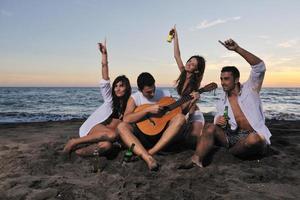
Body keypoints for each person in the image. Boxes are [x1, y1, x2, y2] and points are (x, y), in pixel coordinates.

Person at [182, 39, 272, 168]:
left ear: (236, 79)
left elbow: (260, 67)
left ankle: (232, 152)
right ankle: (197, 159)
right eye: (221, 79)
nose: (222, 82)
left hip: (254, 135)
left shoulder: (251, 88)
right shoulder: (222, 100)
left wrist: (237, 49)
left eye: (226, 79)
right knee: (208, 126)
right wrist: (218, 121)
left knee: (255, 139)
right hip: (233, 136)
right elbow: (219, 120)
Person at [63, 40, 131, 156]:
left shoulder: (130, 104)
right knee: (112, 135)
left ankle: (79, 152)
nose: (117, 89)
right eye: (115, 86)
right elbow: (105, 78)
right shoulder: (110, 100)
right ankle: (74, 141)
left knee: (106, 146)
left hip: (106, 135)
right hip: (93, 129)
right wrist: (104, 55)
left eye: (121, 86)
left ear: (127, 88)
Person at [117, 72, 187, 171]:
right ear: (140, 90)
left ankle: (151, 152)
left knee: (181, 118)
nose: (153, 94)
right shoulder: (135, 98)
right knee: (121, 126)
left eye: (153, 89)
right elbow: (126, 119)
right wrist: (147, 110)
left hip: (163, 135)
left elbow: (176, 113)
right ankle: (148, 158)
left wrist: (191, 101)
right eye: (148, 92)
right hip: (143, 135)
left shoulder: (165, 94)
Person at [171, 25, 206, 145]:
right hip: (181, 112)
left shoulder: (196, 82)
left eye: (193, 64)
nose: (189, 64)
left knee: (193, 142)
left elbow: (190, 106)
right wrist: (176, 37)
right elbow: (177, 56)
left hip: (193, 113)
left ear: (197, 70)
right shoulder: (183, 73)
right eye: (189, 61)